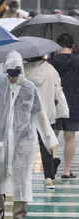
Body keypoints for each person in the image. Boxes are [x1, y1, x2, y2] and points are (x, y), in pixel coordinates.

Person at [0, 51, 58, 219]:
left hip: (24, 140)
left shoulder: (29, 88)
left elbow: (39, 115)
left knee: (21, 177)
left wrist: (49, 140)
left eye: (17, 72)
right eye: (10, 72)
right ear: (5, 70)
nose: (13, 76)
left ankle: (20, 216)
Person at [25, 56, 69, 188]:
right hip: (47, 113)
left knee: (24, 146)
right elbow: (58, 89)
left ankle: (23, 175)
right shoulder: (51, 70)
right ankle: (48, 178)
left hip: (28, 114)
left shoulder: (23, 70)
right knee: (47, 146)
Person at [48, 33, 79, 179]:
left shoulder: (51, 62)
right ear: (73, 47)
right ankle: (66, 171)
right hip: (74, 102)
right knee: (70, 137)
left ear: (58, 46)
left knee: (53, 133)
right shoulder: (77, 62)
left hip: (55, 102)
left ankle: (54, 156)